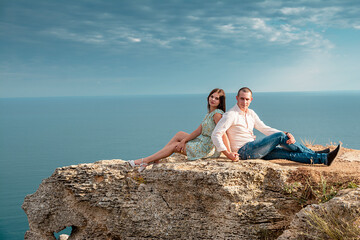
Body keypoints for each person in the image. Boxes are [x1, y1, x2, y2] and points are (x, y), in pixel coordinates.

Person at [211, 87, 340, 166]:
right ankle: (314, 153)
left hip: (256, 149)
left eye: (247, 99)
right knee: (279, 137)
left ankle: (323, 159)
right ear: (237, 98)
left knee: (287, 154)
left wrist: (286, 133)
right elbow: (216, 134)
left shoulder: (251, 113)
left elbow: (264, 128)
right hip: (245, 151)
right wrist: (228, 154)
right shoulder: (231, 115)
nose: (244, 102)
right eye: (242, 99)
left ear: (251, 100)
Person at [128, 88, 232, 172]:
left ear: (220, 102)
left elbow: (223, 134)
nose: (213, 99)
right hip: (203, 141)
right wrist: (183, 140)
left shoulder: (217, 114)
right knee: (180, 134)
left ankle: (144, 161)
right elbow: (198, 131)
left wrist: (228, 153)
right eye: (212, 96)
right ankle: (157, 158)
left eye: (216, 98)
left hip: (207, 148)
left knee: (175, 146)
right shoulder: (209, 114)